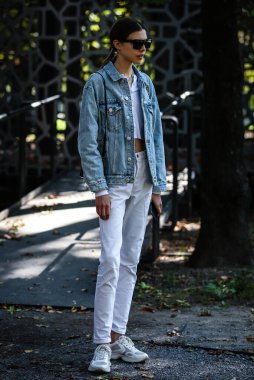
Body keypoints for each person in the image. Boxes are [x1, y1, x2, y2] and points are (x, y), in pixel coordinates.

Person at [78, 17, 167, 374]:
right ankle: (101, 344)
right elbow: (87, 141)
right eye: (137, 43)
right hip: (113, 180)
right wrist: (98, 187)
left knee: (130, 260)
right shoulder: (97, 85)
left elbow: (156, 135)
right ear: (117, 44)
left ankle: (118, 337)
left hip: (144, 177)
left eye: (146, 43)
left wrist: (158, 186)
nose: (143, 49)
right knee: (111, 260)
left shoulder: (145, 84)